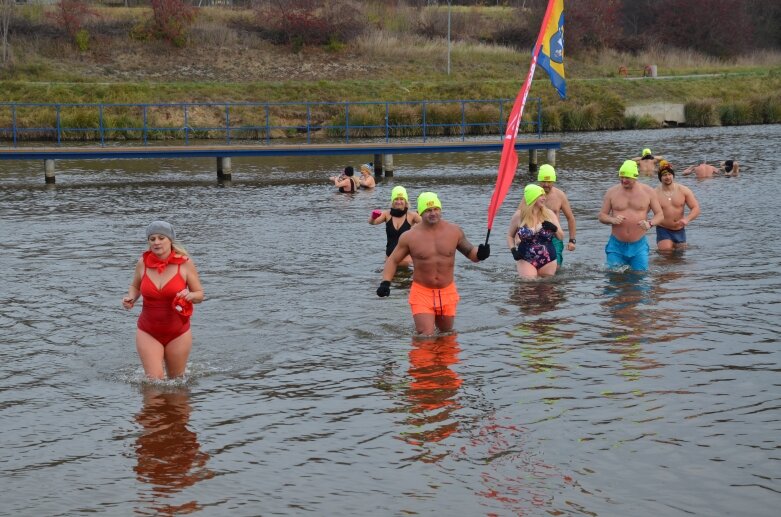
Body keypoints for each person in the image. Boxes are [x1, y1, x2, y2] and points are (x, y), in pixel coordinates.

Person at [376, 192, 490, 335]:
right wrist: (385, 282)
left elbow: (471, 253)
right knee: (425, 336)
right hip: (422, 292)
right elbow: (393, 260)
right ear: (420, 212)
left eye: (436, 209)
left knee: (446, 335)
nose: (433, 213)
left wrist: (480, 253)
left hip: (447, 291)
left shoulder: (454, 231)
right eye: (428, 210)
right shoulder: (409, 236)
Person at [122, 221, 204, 380]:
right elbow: (135, 286)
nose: (156, 242)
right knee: (153, 382)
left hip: (178, 332)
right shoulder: (143, 263)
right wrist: (131, 297)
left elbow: (200, 294)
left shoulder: (185, 263)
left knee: (177, 383)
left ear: (170, 240)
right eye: (152, 239)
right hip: (148, 331)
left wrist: (191, 296)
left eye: (161, 238)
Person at [598, 160, 664, 271]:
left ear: (635, 176)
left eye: (627, 178)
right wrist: (612, 219)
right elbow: (601, 216)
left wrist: (649, 223)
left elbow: (660, 215)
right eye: (621, 177)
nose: (623, 180)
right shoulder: (611, 192)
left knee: (640, 278)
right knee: (614, 278)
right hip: (616, 245)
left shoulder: (648, 192)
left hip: (639, 245)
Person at [507, 184, 564, 279]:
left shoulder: (549, 214)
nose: (544, 198)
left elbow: (561, 237)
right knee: (529, 286)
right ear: (533, 197)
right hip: (525, 258)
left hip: (548, 259)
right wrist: (513, 250)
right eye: (541, 196)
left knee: (547, 289)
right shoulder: (519, 216)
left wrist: (554, 229)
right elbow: (510, 236)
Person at [368, 185, 422, 267]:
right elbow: (372, 223)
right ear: (392, 201)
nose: (399, 201)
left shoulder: (412, 216)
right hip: (389, 257)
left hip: (405, 260)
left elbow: (429, 225)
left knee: (402, 278)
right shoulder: (387, 214)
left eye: (401, 199)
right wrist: (373, 217)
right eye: (396, 199)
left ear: (406, 201)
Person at [535, 164, 577, 265]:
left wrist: (572, 240)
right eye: (543, 181)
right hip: (535, 238)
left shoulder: (560, 195)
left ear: (553, 181)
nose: (545, 184)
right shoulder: (532, 194)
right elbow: (520, 215)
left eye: (549, 181)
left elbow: (570, 218)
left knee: (555, 267)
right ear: (538, 181)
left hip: (554, 237)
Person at [654, 160, 701, 250]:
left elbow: (696, 208)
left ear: (673, 175)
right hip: (663, 228)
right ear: (660, 177)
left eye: (669, 174)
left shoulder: (683, 190)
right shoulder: (654, 193)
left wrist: (687, 219)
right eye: (664, 175)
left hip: (679, 230)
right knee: (666, 251)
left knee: (680, 257)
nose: (667, 177)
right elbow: (644, 210)